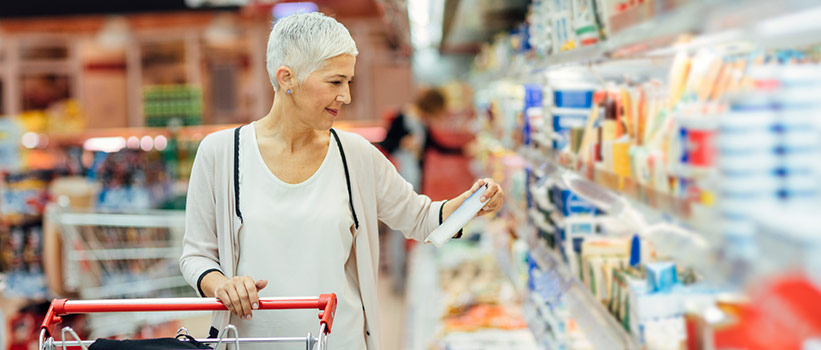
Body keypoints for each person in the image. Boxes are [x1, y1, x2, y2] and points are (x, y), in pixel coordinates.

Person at [179, 12, 504, 350]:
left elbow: (423, 220)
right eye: (335, 82)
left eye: (349, 82)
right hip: (255, 342)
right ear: (287, 78)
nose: (346, 96)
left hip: (339, 341)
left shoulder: (356, 155)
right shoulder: (221, 154)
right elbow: (196, 256)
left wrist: (471, 205)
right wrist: (220, 285)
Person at [379, 88, 465, 191]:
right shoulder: (400, 118)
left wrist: (462, 150)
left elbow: (436, 145)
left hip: (416, 178)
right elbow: (385, 143)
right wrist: (402, 142)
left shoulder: (422, 123)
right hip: (400, 175)